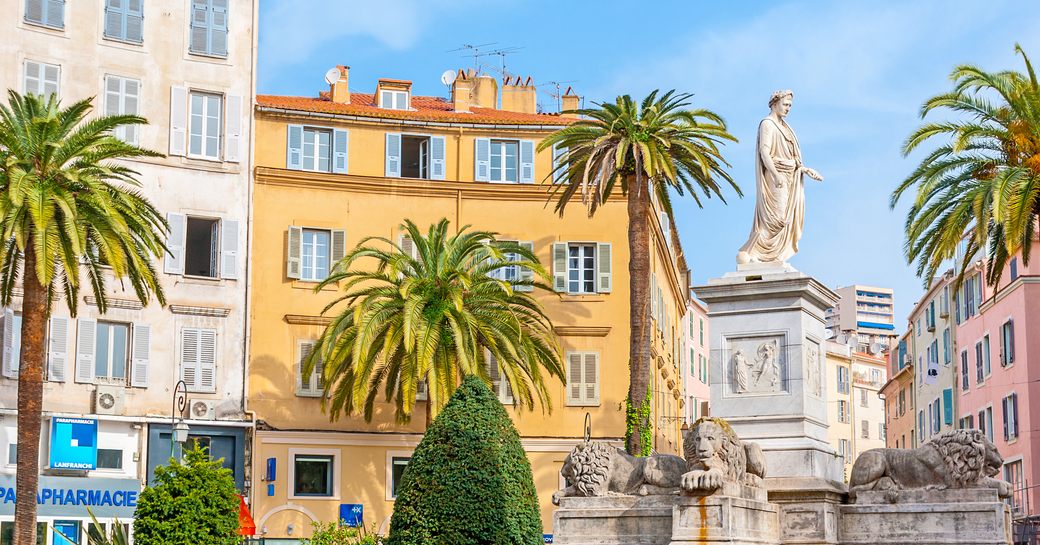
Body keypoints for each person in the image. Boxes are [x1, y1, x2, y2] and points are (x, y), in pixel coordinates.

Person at [736, 90, 823, 265]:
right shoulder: (767, 124)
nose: (788, 108)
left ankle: (770, 256)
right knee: (776, 219)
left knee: (785, 218)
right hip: (777, 178)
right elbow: (764, 152)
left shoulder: (785, 127)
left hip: (790, 177)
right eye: (785, 104)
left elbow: (792, 157)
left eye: (790, 105)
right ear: (774, 103)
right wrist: (775, 175)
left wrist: (804, 169)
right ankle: (756, 254)